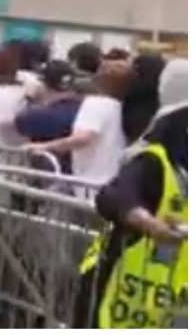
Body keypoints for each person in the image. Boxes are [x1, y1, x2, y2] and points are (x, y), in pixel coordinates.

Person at [75, 59, 187, 329]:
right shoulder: (152, 159)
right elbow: (113, 196)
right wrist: (149, 223)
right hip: (119, 287)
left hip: (168, 299)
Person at [25, 59, 131, 188]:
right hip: (112, 181)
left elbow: (82, 138)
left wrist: (44, 147)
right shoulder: (123, 107)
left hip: (89, 182)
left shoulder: (95, 104)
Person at [14, 60, 83, 173]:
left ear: (43, 84)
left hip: (53, 178)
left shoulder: (42, 116)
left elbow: (19, 122)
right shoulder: (83, 108)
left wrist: (29, 98)